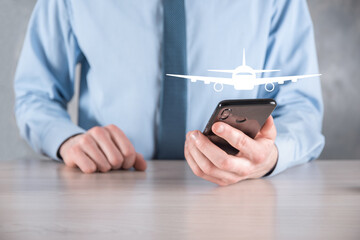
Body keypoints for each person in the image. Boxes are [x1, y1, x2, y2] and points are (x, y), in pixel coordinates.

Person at [14, 0, 324, 186]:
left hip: (237, 198)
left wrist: (271, 157)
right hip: (106, 191)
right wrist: (68, 141)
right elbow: (35, 94)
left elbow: (301, 105)